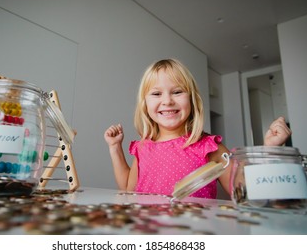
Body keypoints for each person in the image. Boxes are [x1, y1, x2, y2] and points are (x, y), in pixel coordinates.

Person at [104, 59, 291, 199]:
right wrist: (115, 148)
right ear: (145, 104)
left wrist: (270, 150)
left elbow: (244, 192)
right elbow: (128, 190)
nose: (167, 101)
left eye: (177, 92)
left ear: (192, 100)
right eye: (156, 93)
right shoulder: (144, 147)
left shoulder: (209, 147)